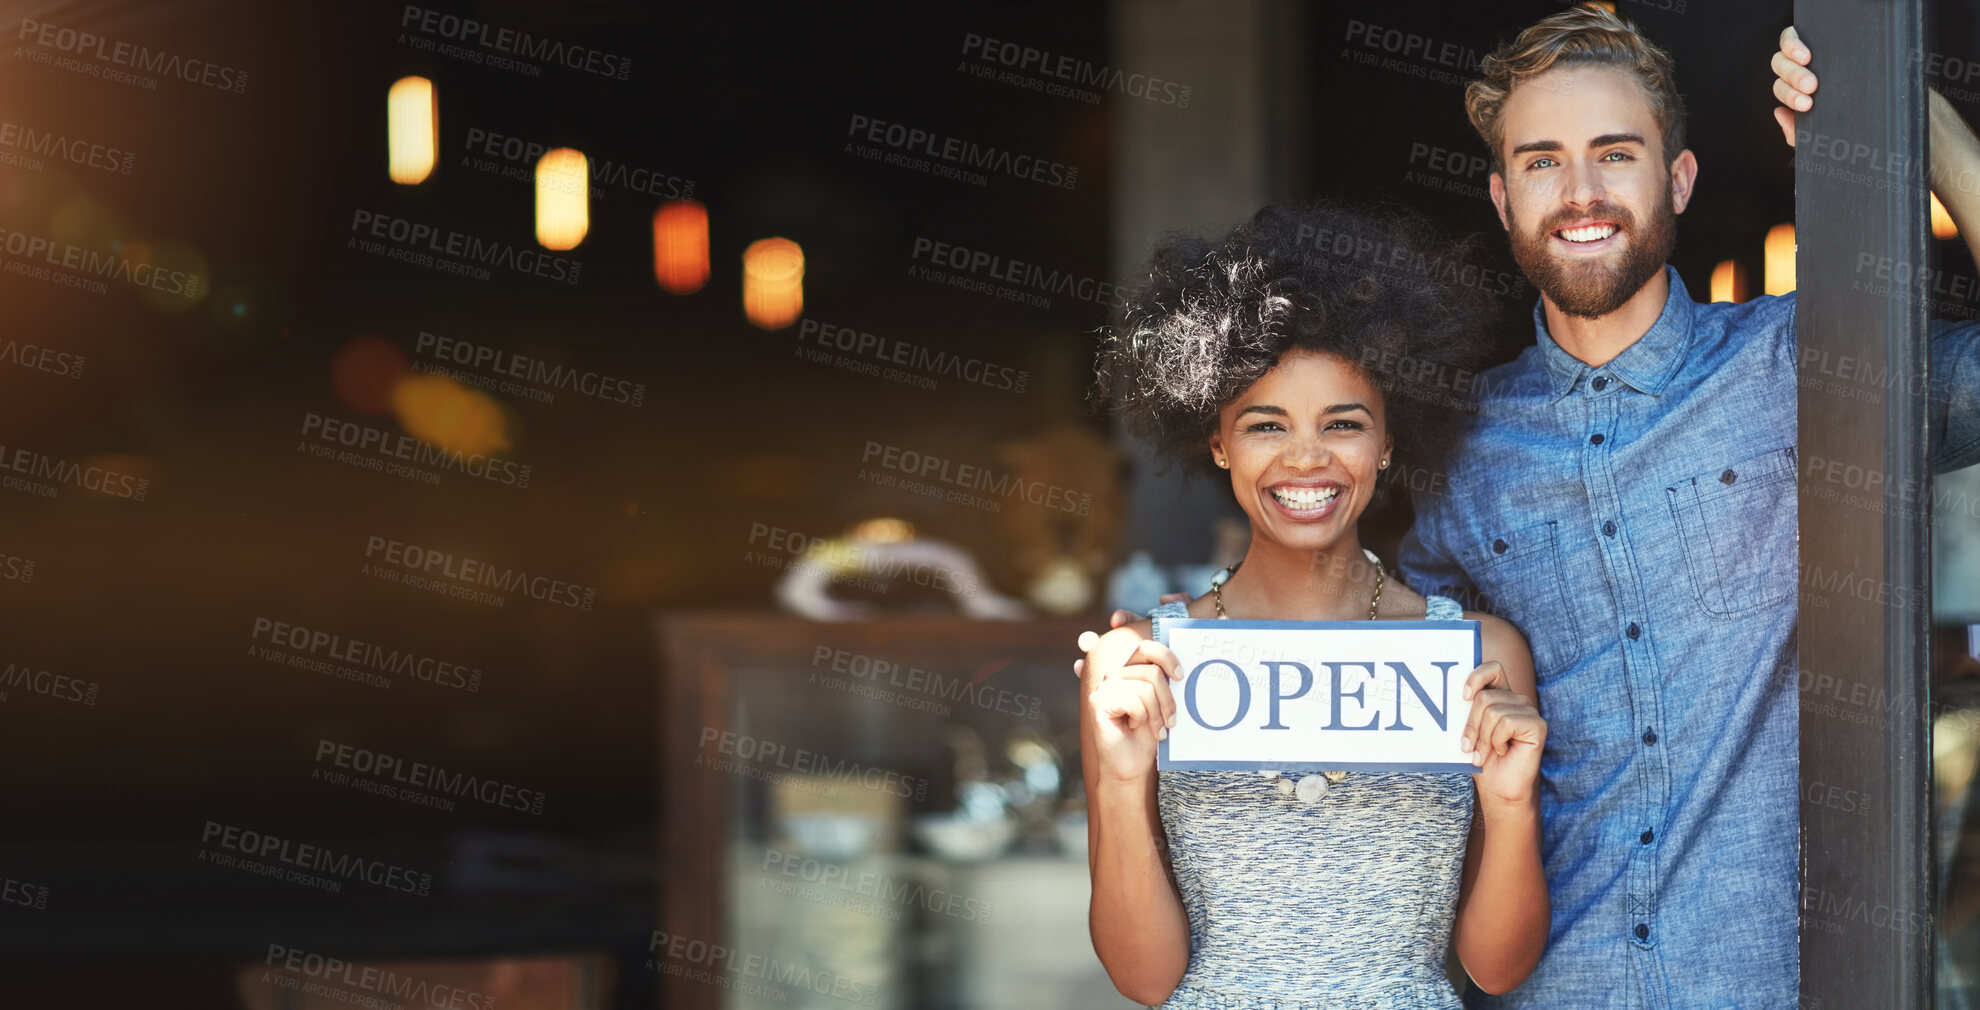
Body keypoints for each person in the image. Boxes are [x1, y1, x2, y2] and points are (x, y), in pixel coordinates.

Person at [1086, 7, 1980, 1008]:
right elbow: (1373, 721)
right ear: (1504, 198)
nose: (1583, 192)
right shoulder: (1458, 444)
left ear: (1677, 179)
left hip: (1770, 978)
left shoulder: (1809, 366)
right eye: (1544, 161)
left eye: (1616, 153)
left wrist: (1925, 125)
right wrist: (1172, 687)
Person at [1080, 202, 1550, 1009]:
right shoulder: (1144, 667)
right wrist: (1122, 786)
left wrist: (1510, 808)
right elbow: (1144, 980)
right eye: (1266, 425)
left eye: (1343, 424)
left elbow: (1496, 970)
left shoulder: (1479, 657)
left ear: (1389, 442)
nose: (1306, 458)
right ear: (1218, 440)